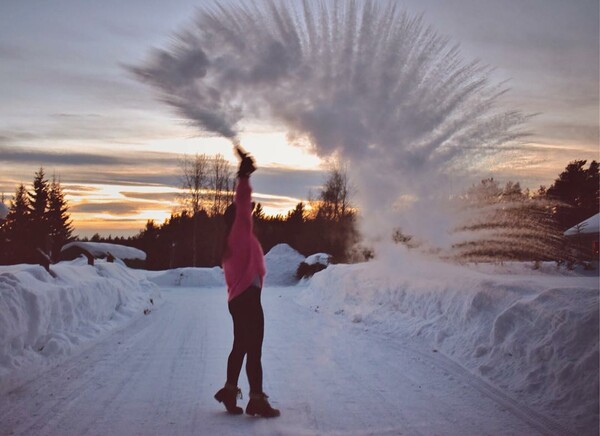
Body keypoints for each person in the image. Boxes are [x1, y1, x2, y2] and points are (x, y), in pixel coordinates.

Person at [214, 147, 280, 418]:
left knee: (241, 346)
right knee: (254, 350)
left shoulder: (231, 243)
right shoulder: (240, 234)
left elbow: (243, 207)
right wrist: (243, 175)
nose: (250, 214)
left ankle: (230, 391)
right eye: (246, 214)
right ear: (238, 220)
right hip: (248, 301)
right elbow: (243, 202)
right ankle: (256, 400)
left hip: (239, 301)